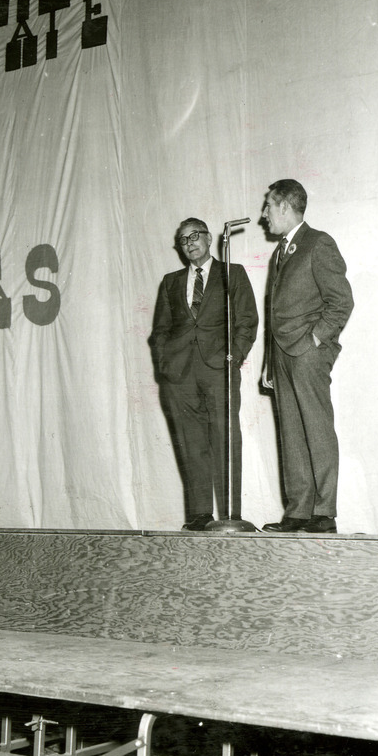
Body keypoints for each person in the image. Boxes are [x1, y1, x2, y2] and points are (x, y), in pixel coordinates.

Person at [150, 217, 258, 530]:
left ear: (209, 238)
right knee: (190, 442)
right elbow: (160, 330)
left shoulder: (232, 273)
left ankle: (230, 515)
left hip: (218, 369)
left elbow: (247, 320)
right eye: (183, 240)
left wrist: (233, 357)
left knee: (225, 439)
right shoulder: (170, 282)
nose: (189, 243)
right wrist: (165, 364)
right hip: (180, 374)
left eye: (195, 235)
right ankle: (199, 515)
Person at [261, 180, 354, 533]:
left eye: (269, 205)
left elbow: (341, 302)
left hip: (307, 354)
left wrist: (315, 339)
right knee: (292, 432)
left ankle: (323, 512)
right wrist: (271, 362)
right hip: (283, 356)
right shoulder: (281, 251)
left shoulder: (318, 243)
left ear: (285, 206)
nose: (264, 214)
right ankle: (299, 511)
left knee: (315, 429)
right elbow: (276, 311)